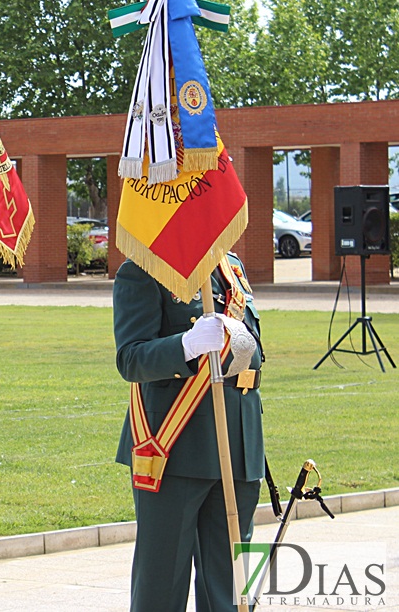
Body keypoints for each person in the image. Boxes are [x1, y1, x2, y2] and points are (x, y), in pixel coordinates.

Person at [113, 252, 265, 611]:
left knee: (230, 586)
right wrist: (187, 345)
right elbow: (131, 359)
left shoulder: (232, 267)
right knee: (162, 583)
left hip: (238, 438)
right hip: (175, 444)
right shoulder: (144, 269)